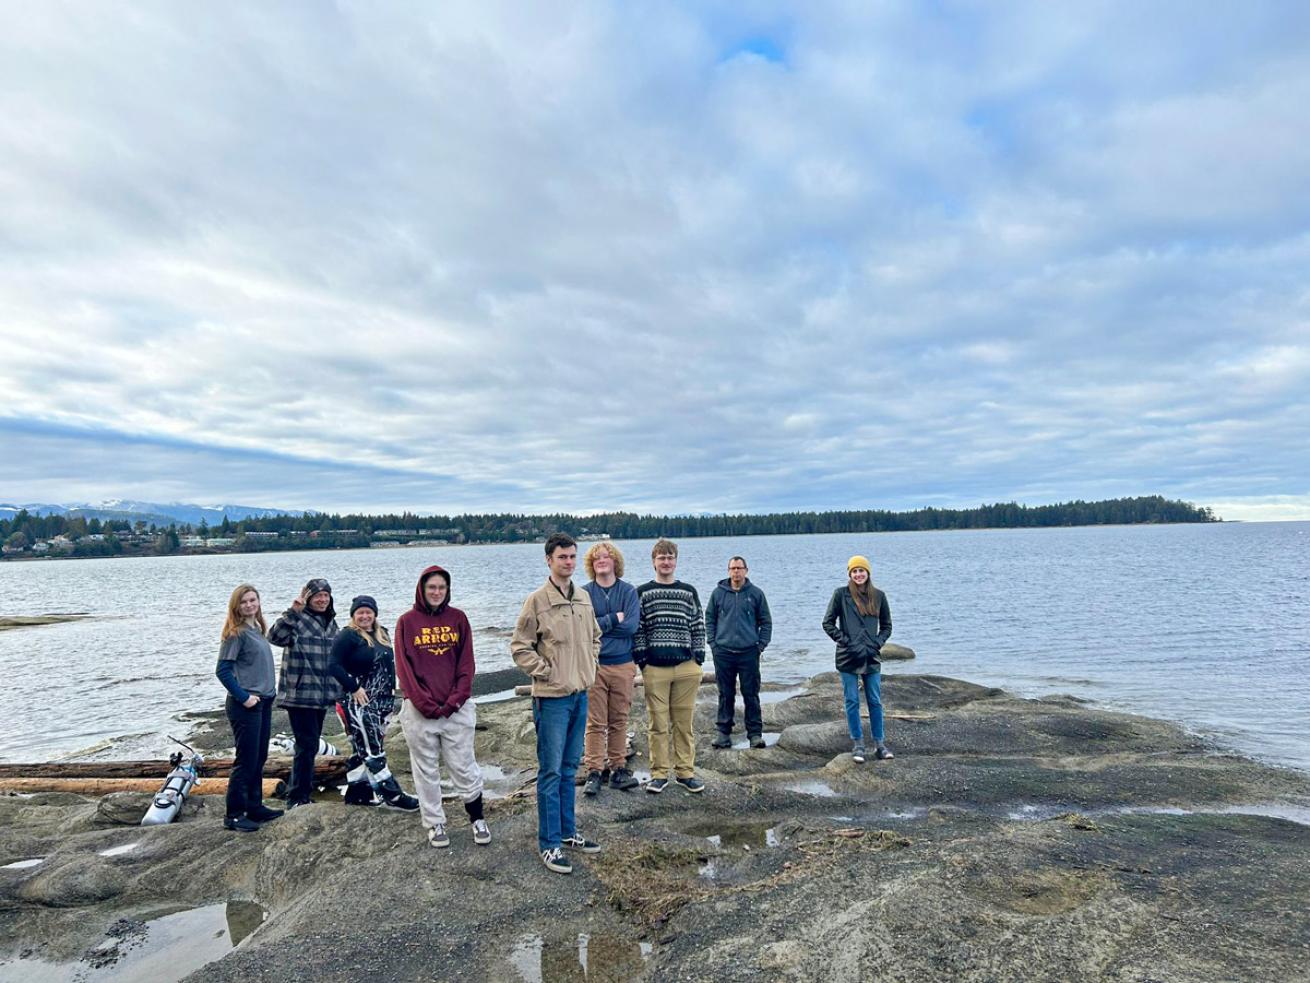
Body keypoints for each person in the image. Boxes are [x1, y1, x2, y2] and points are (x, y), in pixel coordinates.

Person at [511, 533, 602, 874]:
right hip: (551, 700)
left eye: (572, 557)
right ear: (548, 560)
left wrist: (589, 666)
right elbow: (520, 646)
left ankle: (567, 832)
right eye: (562, 557)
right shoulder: (537, 601)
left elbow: (595, 637)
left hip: (580, 695)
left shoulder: (583, 598)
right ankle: (548, 844)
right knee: (550, 771)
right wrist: (545, 670)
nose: (568, 562)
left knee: (569, 769)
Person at [394, 565, 490, 848]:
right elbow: (404, 668)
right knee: (425, 769)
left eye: (442, 588)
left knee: (463, 765)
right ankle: (435, 823)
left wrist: (456, 699)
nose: (436, 592)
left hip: (456, 709)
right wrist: (424, 703)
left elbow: (466, 664)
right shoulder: (407, 622)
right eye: (432, 587)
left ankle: (477, 818)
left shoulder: (458, 619)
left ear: (447, 591)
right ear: (422, 589)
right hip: (419, 711)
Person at [328, 595, 420, 811]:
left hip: (382, 702)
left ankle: (358, 794)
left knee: (361, 748)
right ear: (353, 615)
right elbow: (333, 665)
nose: (364, 616)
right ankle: (392, 796)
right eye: (360, 612)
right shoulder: (347, 636)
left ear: (375, 613)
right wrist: (354, 687)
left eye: (368, 612)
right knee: (373, 750)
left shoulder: (382, 633)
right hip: (359, 703)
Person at [632, 538, 707, 794]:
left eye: (670, 557)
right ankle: (659, 774)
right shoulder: (642, 592)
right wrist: (642, 660)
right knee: (658, 724)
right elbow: (638, 628)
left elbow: (698, 624)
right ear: (654, 562)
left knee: (684, 724)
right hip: (655, 668)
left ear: (676, 560)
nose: (666, 562)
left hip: (686, 667)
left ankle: (686, 773)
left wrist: (698, 657)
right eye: (661, 557)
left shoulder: (688, 591)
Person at [269, 577, 341, 808]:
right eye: (317, 596)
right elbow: (274, 637)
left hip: (322, 696)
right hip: (299, 694)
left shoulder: (331, 623)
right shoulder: (297, 619)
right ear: (308, 598)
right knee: (306, 745)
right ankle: (297, 797)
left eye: (325, 596)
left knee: (310, 745)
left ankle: (299, 790)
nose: (322, 600)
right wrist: (292, 611)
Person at [215, 584, 281, 832]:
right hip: (246, 706)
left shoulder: (257, 629)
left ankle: (254, 807)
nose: (250, 605)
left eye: (253, 600)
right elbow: (222, 671)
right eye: (244, 602)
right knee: (245, 760)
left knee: (259, 758)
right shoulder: (236, 633)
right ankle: (233, 815)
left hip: (264, 702)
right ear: (236, 606)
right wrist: (244, 697)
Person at [580, 542, 641, 796]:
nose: (602, 561)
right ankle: (594, 771)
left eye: (606, 557)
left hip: (623, 664)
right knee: (595, 722)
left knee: (619, 719)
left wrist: (601, 627)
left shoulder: (628, 592)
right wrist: (613, 618)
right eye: (596, 558)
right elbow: (585, 628)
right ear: (591, 565)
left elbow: (631, 627)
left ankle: (618, 768)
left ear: (615, 561)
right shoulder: (583, 593)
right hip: (594, 665)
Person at [822, 555, 894, 763]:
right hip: (848, 657)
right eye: (854, 571)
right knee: (852, 700)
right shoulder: (841, 595)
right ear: (850, 574)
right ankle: (858, 744)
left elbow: (887, 625)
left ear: (868, 572)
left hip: (871, 656)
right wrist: (845, 641)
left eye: (861, 570)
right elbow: (827, 623)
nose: (858, 574)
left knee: (875, 700)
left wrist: (877, 642)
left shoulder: (879, 596)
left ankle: (879, 744)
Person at [705, 556, 773, 750]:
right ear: (728, 571)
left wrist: (760, 645)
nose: (736, 572)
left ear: (746, 570)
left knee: (751, 694)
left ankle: (755, 734)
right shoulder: (718, 594)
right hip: (723, 652)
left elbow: (766, 622)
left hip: (748, 652)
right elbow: (709, 618)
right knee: (725, 693)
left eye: (739, 568)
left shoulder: (756, 594)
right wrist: (713, 643)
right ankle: (723, 733)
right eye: (733, 568)